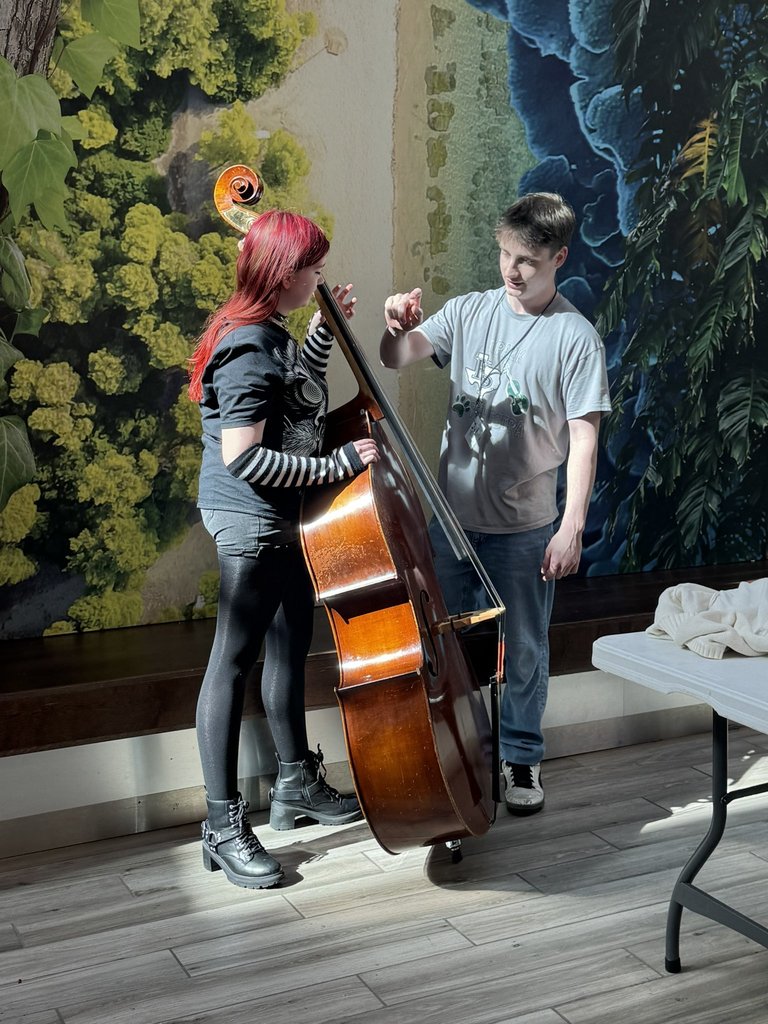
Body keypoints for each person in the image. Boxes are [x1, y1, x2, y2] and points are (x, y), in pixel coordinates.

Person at [380, 193, 610, 816]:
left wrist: (572, 527)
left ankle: (522, 758)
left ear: (559, 257)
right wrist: (396, 327)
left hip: (526, 529)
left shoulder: (574, 338)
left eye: (528, 260)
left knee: (526, 649)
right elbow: (396, 358)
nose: (512, 269)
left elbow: (585, 441)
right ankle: (455, 751)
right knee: (442, 647)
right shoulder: (468, 311)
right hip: (451, 525)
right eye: (506, 254)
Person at [187, 209, 379, 889]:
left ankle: (295, 784)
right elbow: (244, 458)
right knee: (232, 663)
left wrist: (322, 333)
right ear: (281, 273)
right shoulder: (245, 347)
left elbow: (298, 399)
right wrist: (337, 467)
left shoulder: (271, 333)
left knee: (290, 644)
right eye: (313, 269)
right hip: (251, 519)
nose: (320, 278)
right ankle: (221, 827)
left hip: (283, 517)